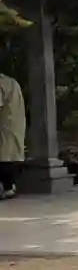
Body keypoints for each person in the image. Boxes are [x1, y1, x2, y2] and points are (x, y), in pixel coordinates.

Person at [0, 70, 24, 199]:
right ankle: (9, 186)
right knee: (10, 155)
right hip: (15, 125)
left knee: (4, 156)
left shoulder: (2, 83)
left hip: (4, 126)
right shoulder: (12, 82)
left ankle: (7, 187)